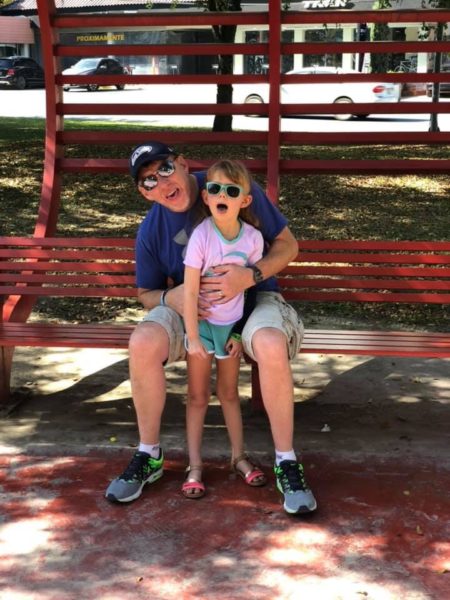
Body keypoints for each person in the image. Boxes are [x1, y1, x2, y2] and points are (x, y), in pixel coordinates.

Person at [105, 140, 317, 515]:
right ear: (143, 193)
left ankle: (286, 461)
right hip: (191, 307)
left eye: (165, 169)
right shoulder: (151, 231)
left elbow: (288, 246)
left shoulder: (226, 184)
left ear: (183, 164)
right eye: (148, 181)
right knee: (142, 342)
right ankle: (149, 454)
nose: (161, 183)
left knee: (268, 342)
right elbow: (146, 293)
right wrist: (174, 298)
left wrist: (248, 276)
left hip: (255, 298)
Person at [182, 159, 267, 499]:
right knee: (198, 396)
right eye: (215, 188)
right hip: (201, 327)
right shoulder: (202, 236)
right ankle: (195, 465)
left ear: (244, 201)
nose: (222, 195)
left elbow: (251, 290)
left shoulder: (253, 240)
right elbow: (189, 289)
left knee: (229, 394)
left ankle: (239, 457)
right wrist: (190, 335)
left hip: (230, 326)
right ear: (205, 196)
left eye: (231, 191)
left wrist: (237, 334)